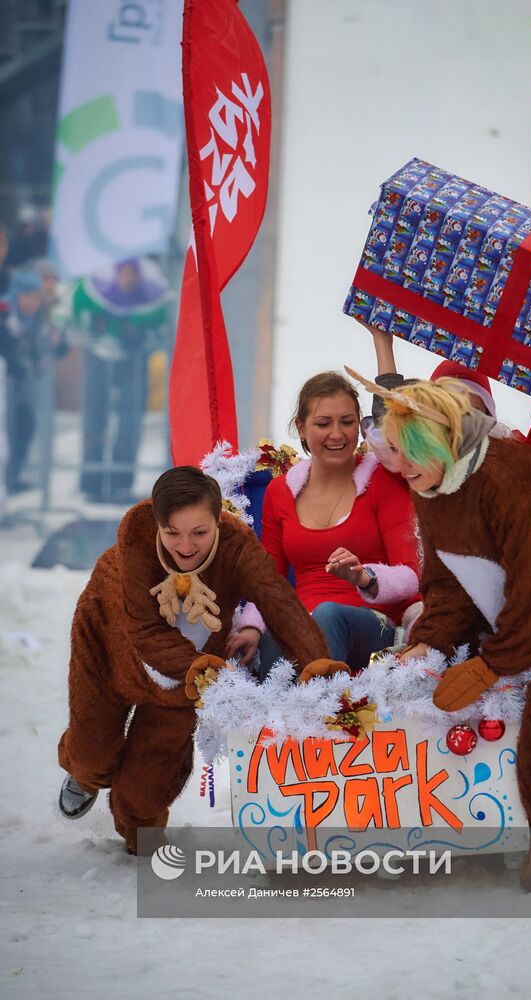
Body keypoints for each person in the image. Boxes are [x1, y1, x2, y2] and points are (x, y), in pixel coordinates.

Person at [361, 373, 531, 890]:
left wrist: (490, 665)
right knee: (441, 682)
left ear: (437, 441)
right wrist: (429, 641)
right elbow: (447, 577)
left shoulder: (512, 482)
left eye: (406, 452)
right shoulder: (430, 479)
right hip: (513, 590)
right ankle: (470, 829)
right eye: (393, 451)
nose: (399, 464)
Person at [57, 466, 345, 854]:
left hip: (188, 673)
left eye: (199, 532)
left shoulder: (237, 546)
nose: (186, 545)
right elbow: (144, 633)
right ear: (157, 524)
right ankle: (84, 775)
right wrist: (198, 667)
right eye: (172, 532)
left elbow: (280, 604)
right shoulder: (137, 544)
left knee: (148, 785)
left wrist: (316, 663)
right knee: (93, 749)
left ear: (218, 522)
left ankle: (139, 821)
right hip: (110, 645)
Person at [227, 372, 421, 678]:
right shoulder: (279, 493)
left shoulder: (382, 480)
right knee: (280, 633)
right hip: (301, 623)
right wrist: (251, 627)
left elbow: (411, 574)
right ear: (301, 429)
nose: (337, 434)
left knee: (327, 616)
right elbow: (268, 581)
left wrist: (365, 577)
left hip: (373, 627)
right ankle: (275, 722)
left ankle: (317, 714)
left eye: (347, 422)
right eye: (323, 423)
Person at [361, 274, 531, 478]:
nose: (462, 420)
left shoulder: (518, 465)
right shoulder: (418, 465)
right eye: (451, 408)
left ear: (489, 419)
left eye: (471, 412)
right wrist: (382, 341)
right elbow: (390, 433)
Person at [71, 257, 172, 503]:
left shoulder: (152, 292)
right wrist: (96, 328)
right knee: (94, 418)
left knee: (130, 422)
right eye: (124, 273)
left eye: (132, 274)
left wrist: (140, 336)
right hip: (98, 357)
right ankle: (91, 482)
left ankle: (121, 482)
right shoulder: (97, 288)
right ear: (116, 273)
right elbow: (78, 314)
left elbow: (161, 323)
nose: (128, 278)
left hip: (133, 360)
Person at [0, 267, 45, 492]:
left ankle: (14, 475)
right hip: (6, 381)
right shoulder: (4, 311)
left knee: (24, 426)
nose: (32, 302)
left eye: (36, 297)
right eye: (28, 296)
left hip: (22, 386)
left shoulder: (33, 319)